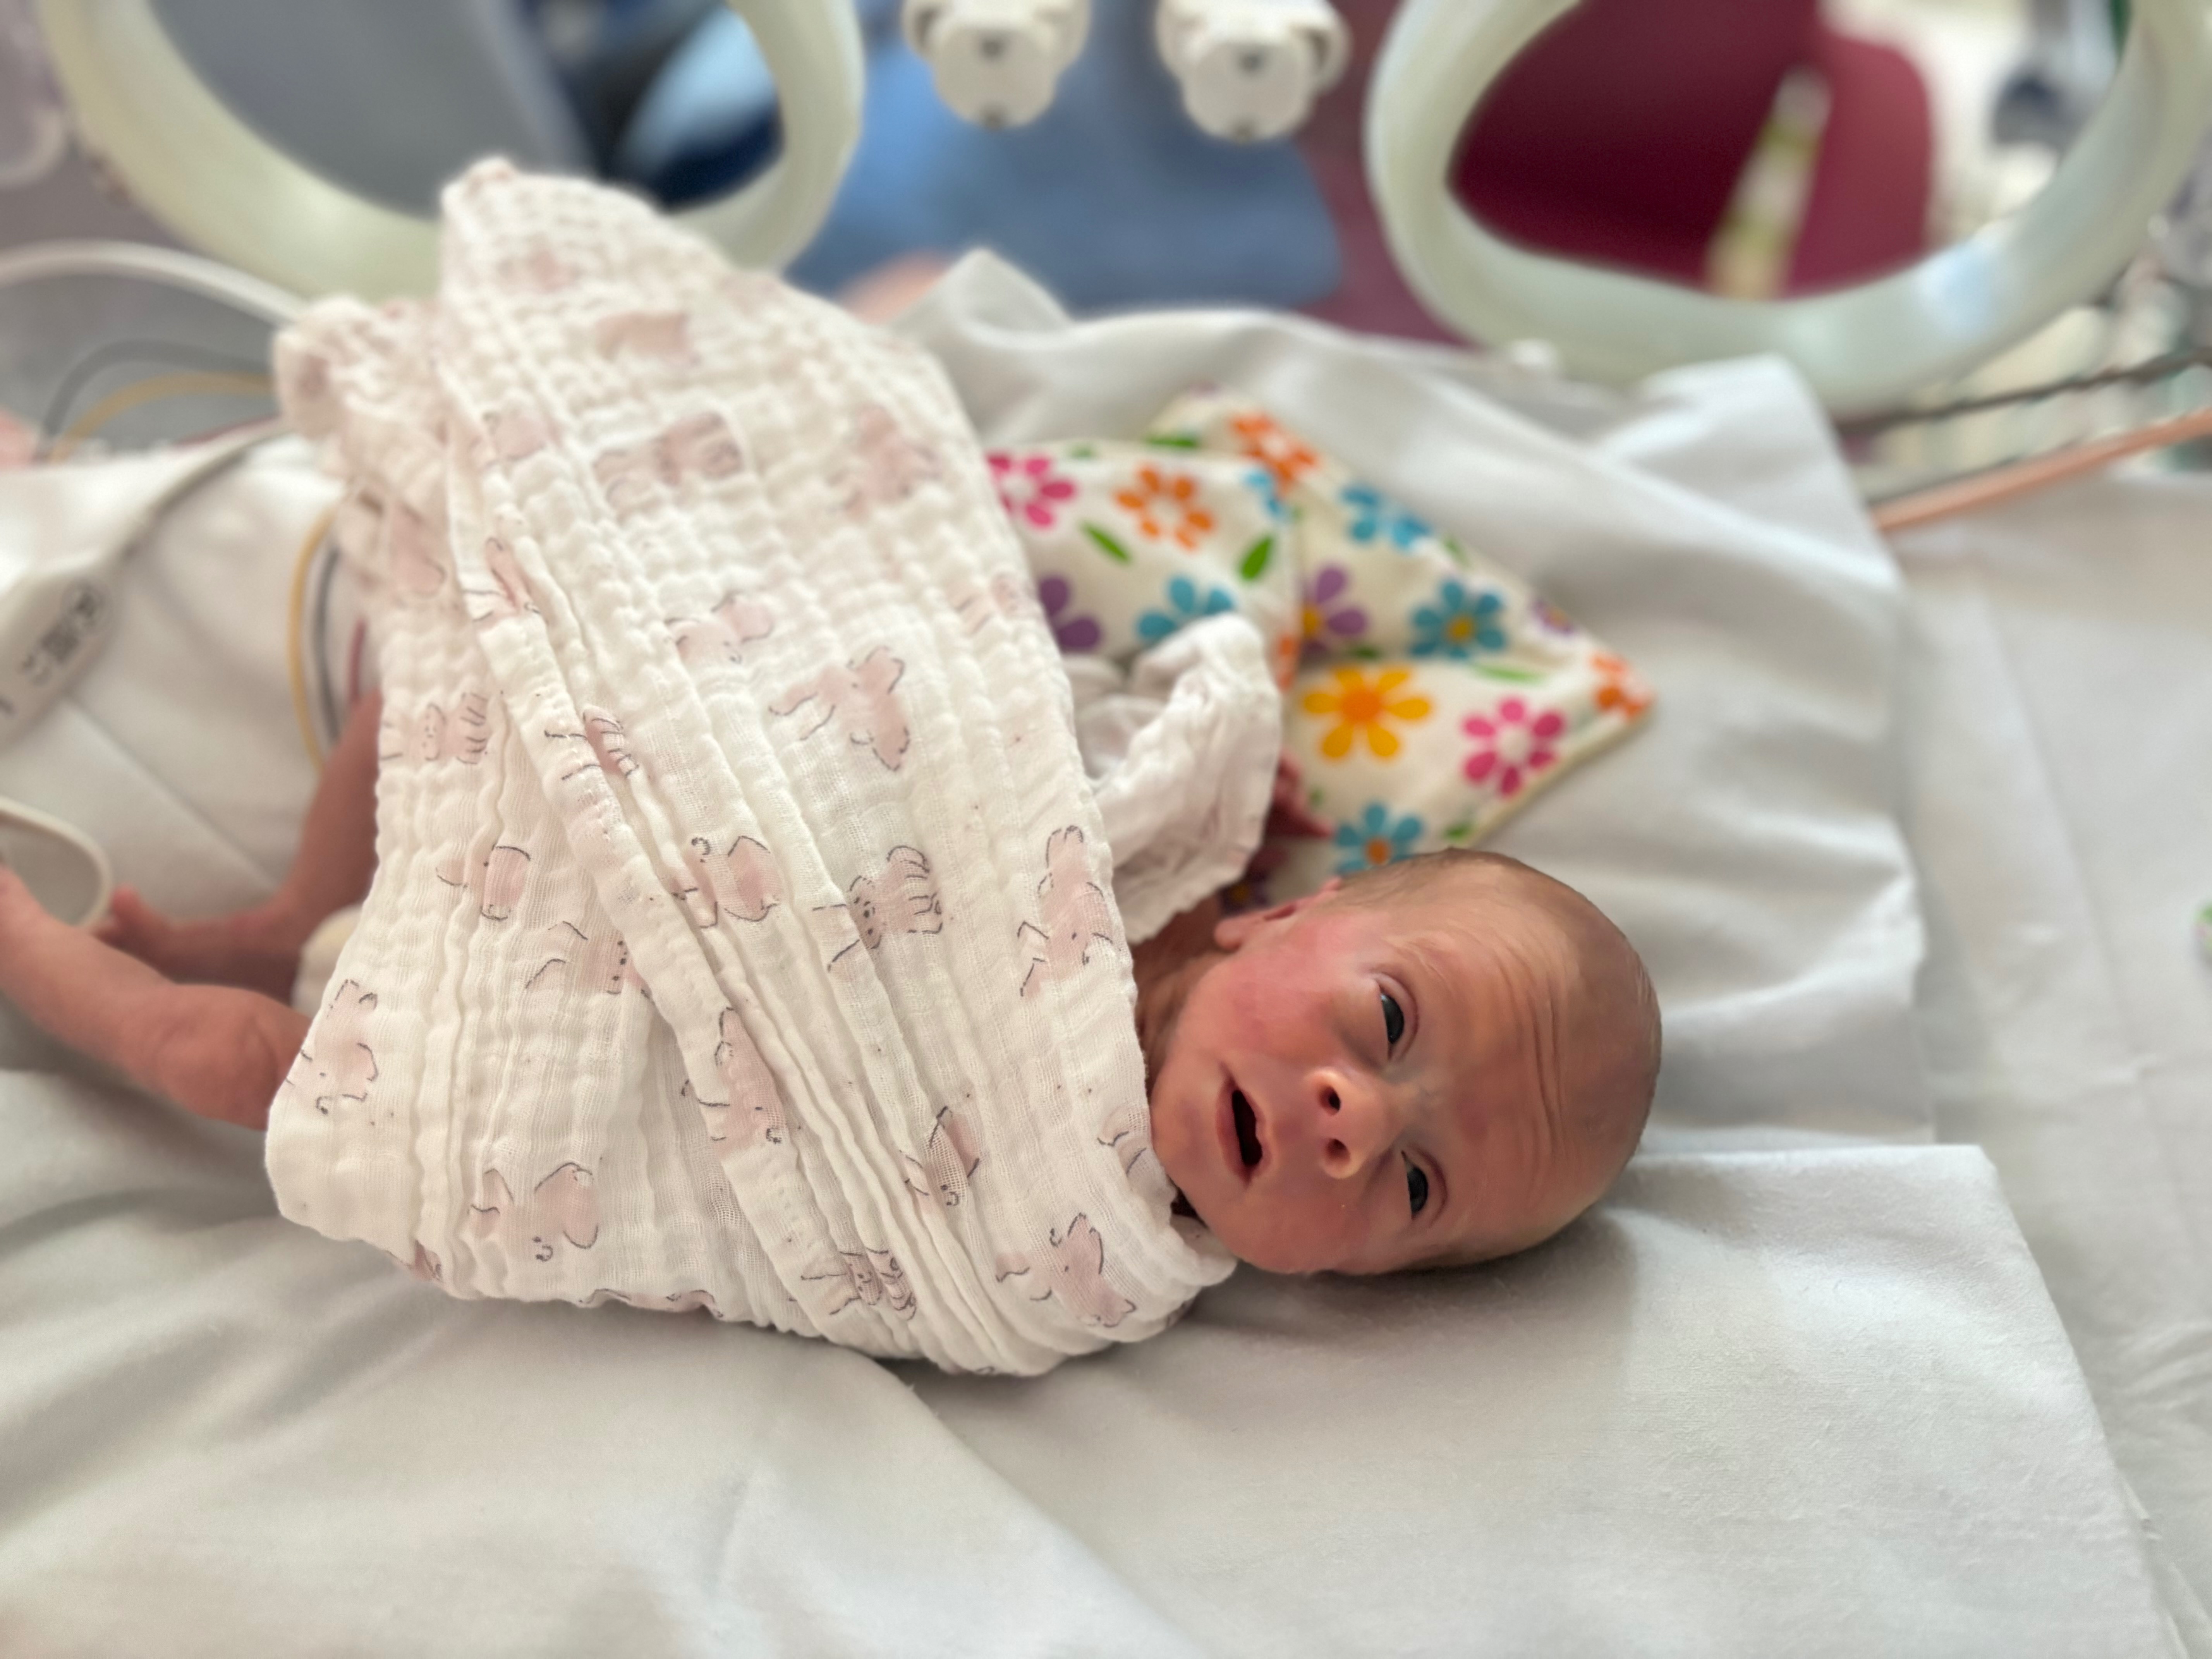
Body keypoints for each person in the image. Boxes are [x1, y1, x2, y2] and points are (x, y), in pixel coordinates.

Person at [0, 675, 1659, 1278]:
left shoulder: (1091, 1262)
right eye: (1389, 1022)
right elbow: (958, 712)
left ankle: (29, 934)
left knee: (230, 1069)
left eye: (1417, 1185)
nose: (1356, 1120)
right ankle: (285, 907)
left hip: (500, 1050)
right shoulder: (1154, 852)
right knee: (432, 685)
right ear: (1279, 918)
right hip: (571, 863)